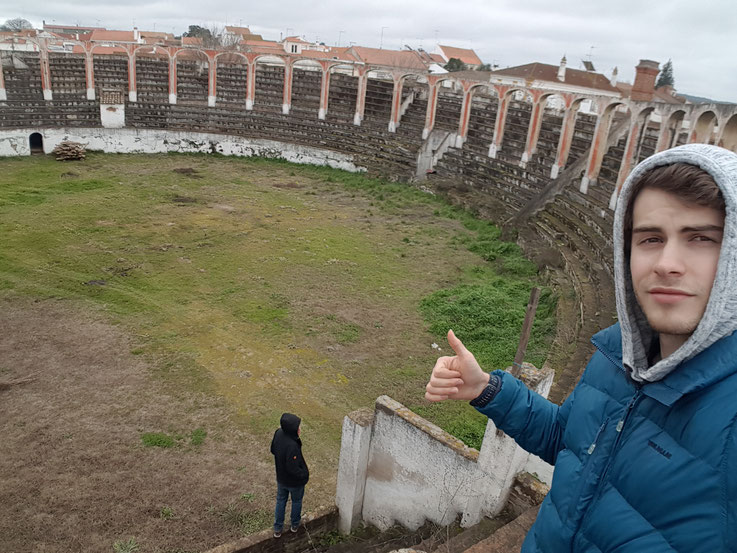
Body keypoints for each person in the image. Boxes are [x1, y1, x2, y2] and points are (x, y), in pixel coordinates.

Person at [425, 143, 737, 552]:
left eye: (700, 238)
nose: (667, 263)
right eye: (650, 238)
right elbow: (567, 440)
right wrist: (487, 388)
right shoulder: (616, 356)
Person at [270, 412, 309, 538]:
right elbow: (293, 469)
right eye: (298, 426)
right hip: (294, 482)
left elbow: (273, 450)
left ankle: (277, 528)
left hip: (281, 478)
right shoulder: (292, 445)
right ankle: (295, 525)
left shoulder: (278, 433)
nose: (299, 429)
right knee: (296, 501)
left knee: (280, 501)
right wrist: (304, 475)